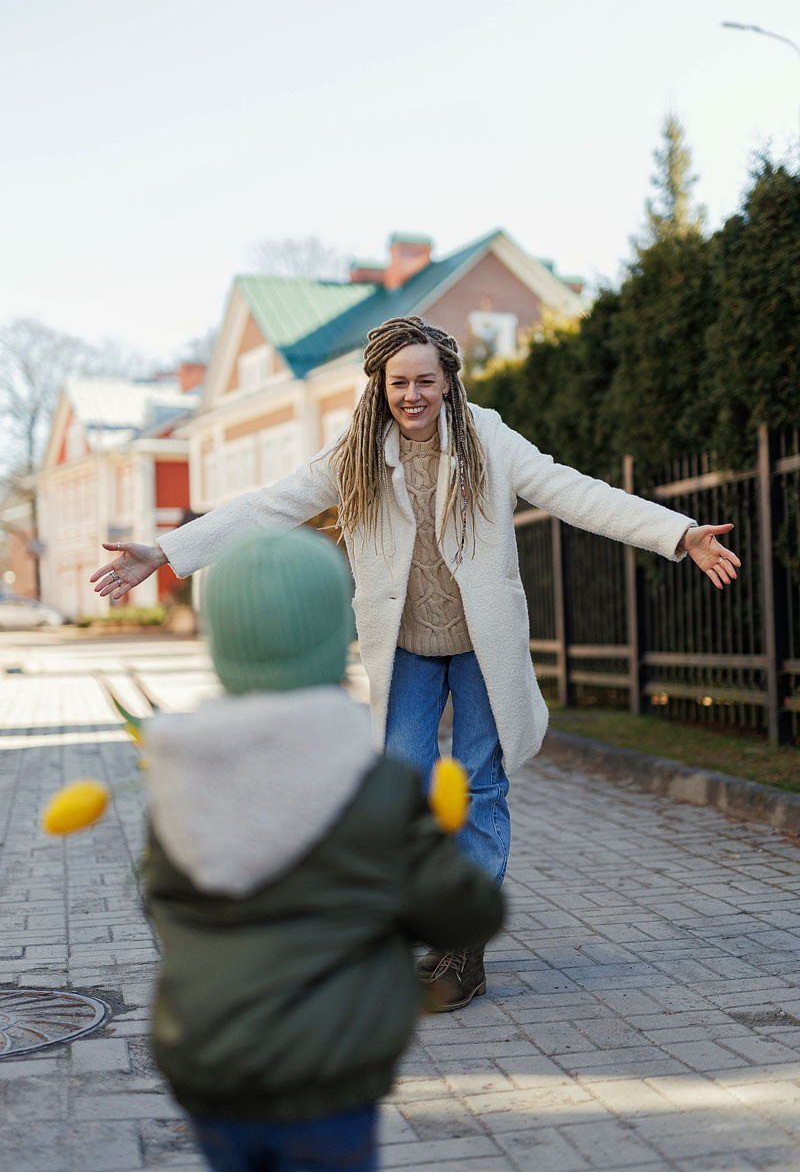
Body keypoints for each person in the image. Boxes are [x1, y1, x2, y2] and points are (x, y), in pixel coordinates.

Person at [93, 314, 740, 1008]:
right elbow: (270, 505)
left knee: (479, 786)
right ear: (380, 386)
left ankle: (462, 945)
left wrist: (680, 534)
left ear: (447, 382)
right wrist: (165, 552)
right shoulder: (357, 454)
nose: (412, 396)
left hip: (480, 645)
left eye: (425, 381)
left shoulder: (489, 440)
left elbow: (573, 491)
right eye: (399, 383)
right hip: (406, 644)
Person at [143, 526, 504, 1172]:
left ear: (219, 646)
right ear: (339, 640)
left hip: (208, 1070)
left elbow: (160, 899)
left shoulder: (180, 781)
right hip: (326, 1073)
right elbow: (467, 913)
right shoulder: (371, 789)